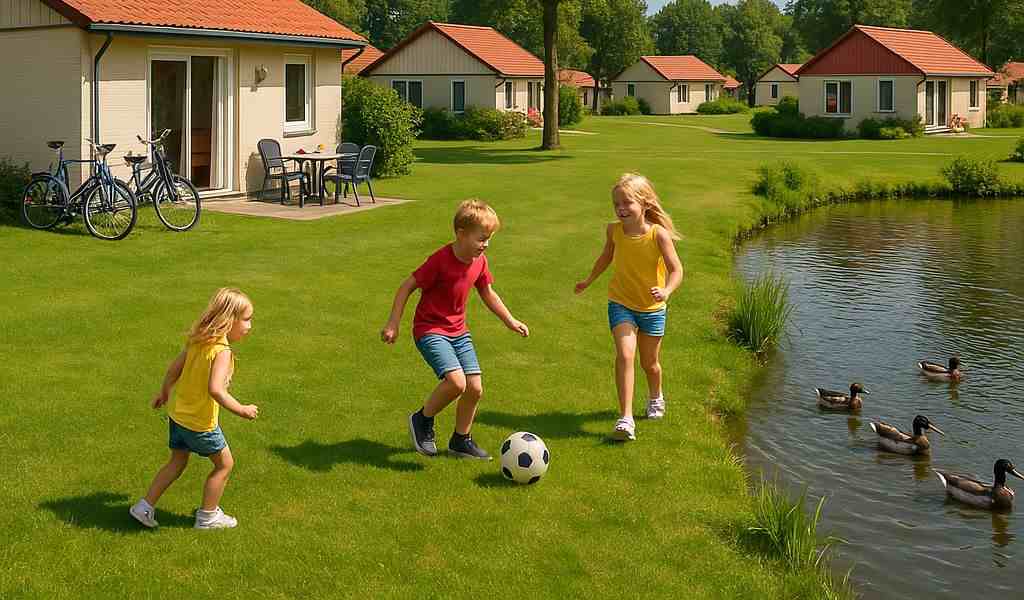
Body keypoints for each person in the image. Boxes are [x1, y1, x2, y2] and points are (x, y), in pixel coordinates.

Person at [382, 200, 529, 460]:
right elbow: (407, 286)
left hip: (459, 332)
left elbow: (487, 292)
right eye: (481, 238)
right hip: (430, 329)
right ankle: (422, 419)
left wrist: (510, 320)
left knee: (475, 388)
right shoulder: (440, 260)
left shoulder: (479, 261)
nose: (485, 244)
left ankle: (461, 440)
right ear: (461, 234)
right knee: (456, 382)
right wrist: (393, 322)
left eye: (489, 239)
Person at [130, 288, 259, 529]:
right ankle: (208, 517)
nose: (250, 325)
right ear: (229, 320)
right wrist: (242, 409)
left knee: (176, 462)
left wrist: (164, 392)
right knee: (224, 465)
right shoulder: (222, 351)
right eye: (247, 319)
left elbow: (173, 369)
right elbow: (216, 390)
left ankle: (144, 507)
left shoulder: (199, 340)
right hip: (200, 424)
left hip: (178, 418)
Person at [575, 174, 683, 441]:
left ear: (644, 204)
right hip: (620, 302)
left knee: (650, 364)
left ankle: (655, 396)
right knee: (625, 355)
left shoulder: (659, 235)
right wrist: (588, 280)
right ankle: (625, 418)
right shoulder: (614, 230)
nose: (621, 209)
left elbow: (676, 270)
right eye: (616, 204)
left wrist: (666, 290)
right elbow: (605, 257)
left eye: (627, 203)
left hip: (652, 308)